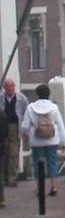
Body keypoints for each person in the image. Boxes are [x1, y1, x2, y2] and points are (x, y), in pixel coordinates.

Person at [21, 83, 65, 198]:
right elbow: (60, 125)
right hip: (52, 139)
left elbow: (25, 125)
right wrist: (64, 142)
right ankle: (54, 186)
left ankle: (39, 187)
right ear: (49, 94)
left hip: (36, 140)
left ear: (37, 94)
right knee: (52, 162)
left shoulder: (31, 107)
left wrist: (24, 134)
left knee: (37, 163)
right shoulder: (54, 107)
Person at [1, 78, 19, 207]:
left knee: (13, 152)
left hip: (14, 125)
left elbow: (23, 111)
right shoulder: (1, 98)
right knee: (4, 152)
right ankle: (5, 178)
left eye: (12, 86)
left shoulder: (20, 98)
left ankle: (12, 178)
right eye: (8, 86)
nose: (10, 88)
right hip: (3, 126)